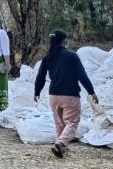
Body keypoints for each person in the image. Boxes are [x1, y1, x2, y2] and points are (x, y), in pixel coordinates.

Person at [34, 30, 98, 158]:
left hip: (53, 95)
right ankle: (61, 143)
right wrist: (91, 92)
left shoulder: (48, 57)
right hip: (70, 95)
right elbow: (82, 75)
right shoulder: (71, 56)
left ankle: (60, 148)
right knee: (72, 123)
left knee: (60, 123)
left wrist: (37, 91)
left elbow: (40, 76)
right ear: (64, 41)